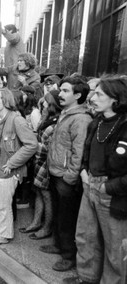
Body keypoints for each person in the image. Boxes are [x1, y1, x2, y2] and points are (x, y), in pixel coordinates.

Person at [63, 76, 127, 284]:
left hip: (114, 195)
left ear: (115, 99)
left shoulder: (124, 126)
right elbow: (86, 152)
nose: (92, 97)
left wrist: (108, 187)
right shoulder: (96, 122)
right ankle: (87, 278)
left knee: (115, 249)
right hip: (89, 185)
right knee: (86, 237)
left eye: (99, 94)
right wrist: (83, 171)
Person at [41, 76, 92, 272]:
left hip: (65, 177)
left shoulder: (81, 119)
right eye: (60, 90)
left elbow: (79, 153)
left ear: (78, 95)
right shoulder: (67, 113)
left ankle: (68, 256)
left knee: (67, 218)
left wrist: (70, 177)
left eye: (65, 91)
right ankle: (59, 245)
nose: (60, 94)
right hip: (56, 173)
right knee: (59, 214)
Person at [0, 88, 37, 246]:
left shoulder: (16, 120)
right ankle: (0, 230)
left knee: (3, 204)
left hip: (8, 170)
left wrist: (12, 163)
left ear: (5, 101)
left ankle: (3, 235)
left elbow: (31, 145)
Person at [20, 90, 62, 240]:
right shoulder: (48, 118)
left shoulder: (58, 121)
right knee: (37, 191)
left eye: (46, 101)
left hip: (46, 161)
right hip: (39, 160)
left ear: (53, 104)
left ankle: (46, 227)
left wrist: (34, 145)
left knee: (46, 194)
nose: (42, 103)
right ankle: (36, 222)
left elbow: (53, 146)